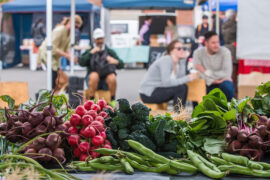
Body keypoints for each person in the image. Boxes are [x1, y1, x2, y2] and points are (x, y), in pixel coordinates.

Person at [139, 40, 198, 108]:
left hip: (159, 89)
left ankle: (178, 114)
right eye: (179, 48)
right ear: (171, 51)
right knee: (181, 88)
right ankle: (178, 115)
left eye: (183, 48)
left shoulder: (178, 62)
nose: (182, 50)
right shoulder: (166, 60)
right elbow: (166, 82)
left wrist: (183, 60)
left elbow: (180, 79)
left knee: (183, 87)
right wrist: (188, 78)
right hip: (148, 93)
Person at [38, 15, 83, 89]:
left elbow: (66, 49)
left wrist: (71, 57)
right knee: (54, 77)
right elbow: (52, 47)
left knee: (60, 78)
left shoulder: (69, 34)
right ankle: (51, 95)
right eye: (75, 27)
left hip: (55, 58)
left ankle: (55, 93)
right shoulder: (60, 30)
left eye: (78, 28)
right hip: (47, 54)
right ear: (70, 22)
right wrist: (67, 56)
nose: (76, 29)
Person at [79, 28, 124, 103]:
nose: (100, 41)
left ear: (104, 39)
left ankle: (112, 100)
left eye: (101, 38)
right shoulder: (90, 50)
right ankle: (92, 101)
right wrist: (90, 53)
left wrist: (115, 61)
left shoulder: (109, 51)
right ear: (94, 39)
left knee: (112, 77)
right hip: (92, 80)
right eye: (98, 39)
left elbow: (121, 64)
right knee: (94, 75)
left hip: (106, 81)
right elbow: (81, 62)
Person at [193, 31, 234, 101]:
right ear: (206, 43)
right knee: (196, 84)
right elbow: (197, 73)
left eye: (218, 42)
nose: (217, 45)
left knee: (228, 85)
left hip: (222, 83)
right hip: (206, 83)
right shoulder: (198, 53)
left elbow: (226, 74)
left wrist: (205, 71)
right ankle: (198, 111)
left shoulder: (225, 52)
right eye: (213, 43)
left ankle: (228, 109)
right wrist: (212, 81)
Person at [222, 9, 237, 97]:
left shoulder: (224, 25)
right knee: (233, 74)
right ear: (234, 16)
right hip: (233, 50)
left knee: (229, 72)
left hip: (227, 49)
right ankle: (233, 94)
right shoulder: (234, 26)